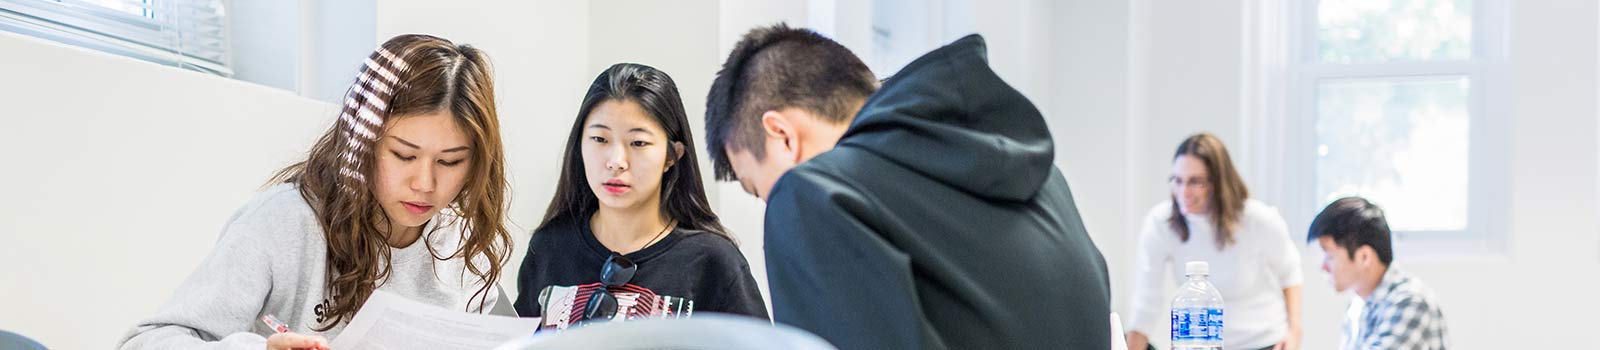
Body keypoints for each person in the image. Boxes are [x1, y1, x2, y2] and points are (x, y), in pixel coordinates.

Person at [703, 24, 1110, 349]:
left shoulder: (812, 194)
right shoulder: (1042, 179)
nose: (769, 203)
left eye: (757, 188)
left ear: (782, 135)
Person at [119, 34, 512, 350]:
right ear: (362, 142)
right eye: (403, 155)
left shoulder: (457, 239)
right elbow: (147, 342)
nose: (425, 184)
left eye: (450, 162)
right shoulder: (285, 223)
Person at [513, 63, 766, 327]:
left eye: (638, 143)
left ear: (672, 155)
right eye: (600, 139)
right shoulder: (550, 247)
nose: (616, 161)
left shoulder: (713, 262)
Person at [1126, 132, 1304, 350]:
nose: (1184, 192)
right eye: (1177, 180)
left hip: (1262, 341)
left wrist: (1294, 331)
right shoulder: (1161, 223)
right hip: (1201, 345)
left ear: (1219, 182)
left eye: (1195, 182)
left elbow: (1290, 271)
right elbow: (1146, 302)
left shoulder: (1258, 220)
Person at [1308, 197, 1449, 349]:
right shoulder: (1358, 304)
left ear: (1364, 257)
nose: (1323, 267)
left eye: (1329, 256)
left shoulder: (1411, 302)